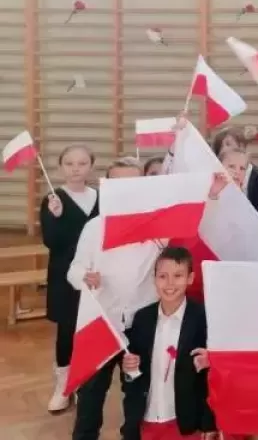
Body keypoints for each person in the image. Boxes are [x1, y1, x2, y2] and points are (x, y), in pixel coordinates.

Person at [69, 158, 164, 440]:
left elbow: (188, 217)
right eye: (118, 183)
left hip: (141, 323)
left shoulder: (156, 228)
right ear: (107, 187)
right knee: (91, 393)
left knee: (137, 392)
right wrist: (84, 276)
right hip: (101, 320)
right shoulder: (94, 227)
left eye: (132, 183)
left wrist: (212, 194)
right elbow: (74, 269)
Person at [120, 246, 218, 440]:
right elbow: (132, 377)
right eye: (163, 276)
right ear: (154, 279)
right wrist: (129, 370)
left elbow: (209, 381)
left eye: (178, 276)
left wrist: (209, 424)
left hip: (185, 424)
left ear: (190, 278)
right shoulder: (142, 318)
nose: (170, 283)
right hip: (147, 421)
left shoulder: (203, 318)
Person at [41, 144, 99, 413]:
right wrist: (56, 217)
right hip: (64, 275)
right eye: (70, 163)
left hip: (95, 275)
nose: (76, 169)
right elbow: (52, 242)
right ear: (60, 167)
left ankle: (87, 382)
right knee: (66, 330)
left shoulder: (100, 197)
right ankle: (63, 385)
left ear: (91, 166)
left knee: (92, 328)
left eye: (82, 163)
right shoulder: (53, 199)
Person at [211, 128, 258, 217]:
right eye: (228, 144)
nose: (234, 148)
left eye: (242, 168)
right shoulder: (211, 172)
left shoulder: (254, 173)